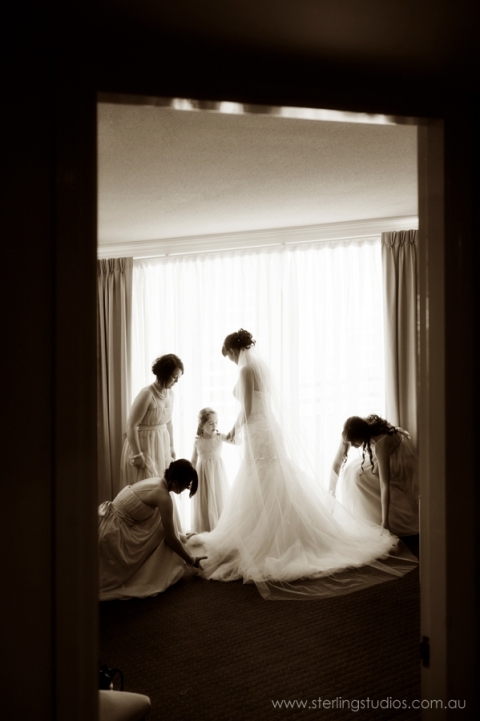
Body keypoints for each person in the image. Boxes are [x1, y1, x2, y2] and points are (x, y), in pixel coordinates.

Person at [188, 329, 417, 600]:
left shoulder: (246, 370)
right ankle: (270, 536)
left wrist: (233, 433)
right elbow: (259, 406)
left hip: (259, 433)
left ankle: (268, 541)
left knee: (263, 481)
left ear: (234, 350)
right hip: (267, 430)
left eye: (228, 356)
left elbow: (248, 410)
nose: (231, 361)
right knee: (270, 481)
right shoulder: (260, 367)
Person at [99, 459, 206, 600]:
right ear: (176, 481)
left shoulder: (157, 482)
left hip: (105, 523)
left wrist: (182, 537)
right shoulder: (163, 496)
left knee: (162, 525)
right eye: (186, 485)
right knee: (165, 537)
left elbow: (163, 526)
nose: (186, 489)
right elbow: (170, 539)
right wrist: (191, 560)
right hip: (113, 535)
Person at [329, 415, 419, 536]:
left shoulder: (380, 444)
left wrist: (385, 522)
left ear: (362, 436)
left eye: (355, 442)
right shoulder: (349, 432)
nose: (353, 445)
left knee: (359, 479)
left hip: (395, 456)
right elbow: (337, 463)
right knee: (349, 473)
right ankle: (363, 521)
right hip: (379, 455)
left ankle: (382, 519)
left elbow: (384, 485)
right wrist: (331, 494)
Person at [119, 354, 183, 487]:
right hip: (143, 445)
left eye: (178, 377)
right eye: (174, 377)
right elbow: (131, 425)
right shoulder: (147, 394)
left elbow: (169, 422)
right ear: (163, 374)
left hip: (160, 444)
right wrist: (137, 454)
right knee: (145, 486)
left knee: (161, 483)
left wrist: (171, 446)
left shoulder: (170, 394)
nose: (176, 381)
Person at [190, 407, 231, 533]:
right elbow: (193, 461)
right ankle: (205, 528)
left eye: (216, 422)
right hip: (202, 475)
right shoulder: (198, 441)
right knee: (205, 499)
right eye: (211, 423)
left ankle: (220, 528)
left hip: (217, 474)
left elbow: (236, 441)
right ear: (202, 425)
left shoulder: (219, 437)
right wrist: (191, 477)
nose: (215, 425)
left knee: (218, 497)